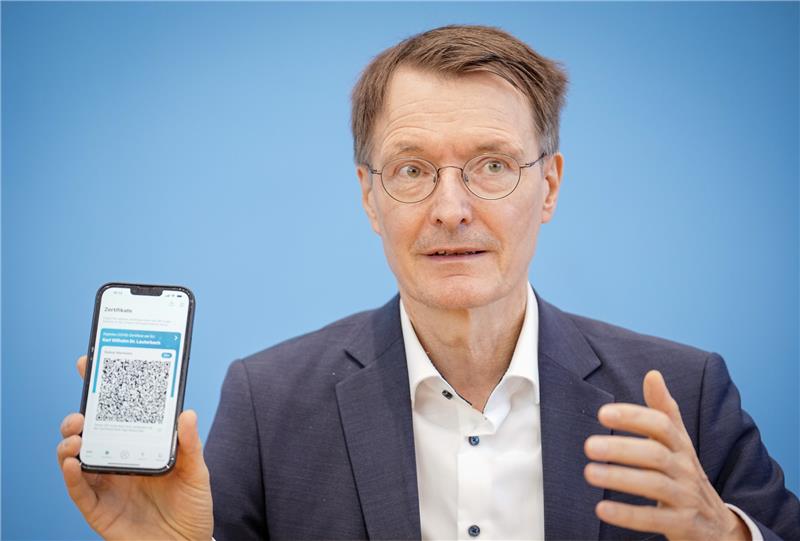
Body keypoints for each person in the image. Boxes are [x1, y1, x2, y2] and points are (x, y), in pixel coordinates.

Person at [57, 24, 799, 541]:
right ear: (369, 196)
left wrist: (726, 534)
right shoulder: (267, 400)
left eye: (493, 165)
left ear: (549, 187)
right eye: (412, 170)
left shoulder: (683, 391)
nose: (451, 209)